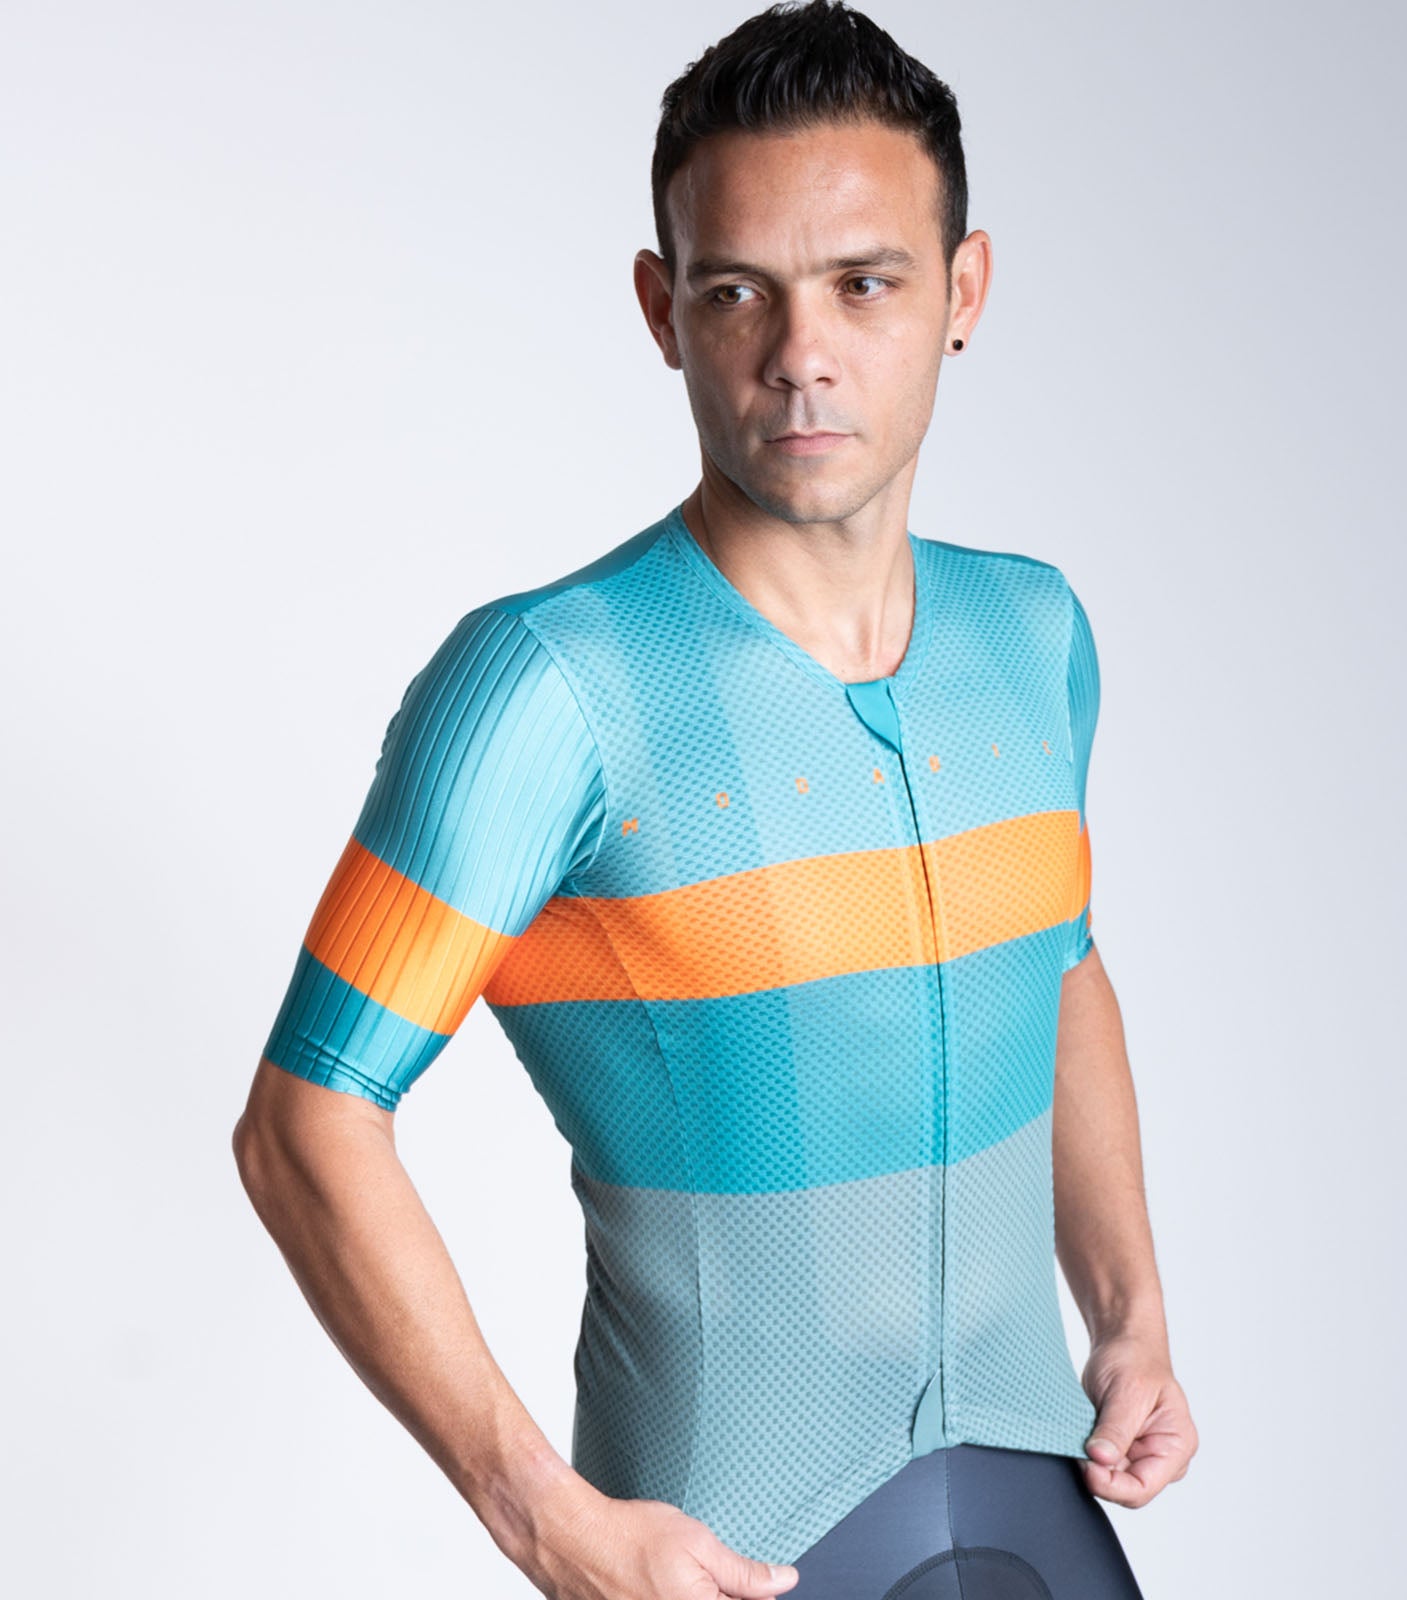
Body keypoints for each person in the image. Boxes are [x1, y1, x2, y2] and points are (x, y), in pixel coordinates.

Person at [232, 2, 1199, 1595]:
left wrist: (1131, 1315)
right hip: (726, 1554)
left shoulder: (1033, 636)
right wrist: (539, 1514)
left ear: (963, 291)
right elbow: (303, 1123)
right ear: (661, 308)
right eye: (738, 289)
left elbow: (1062, 967)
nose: (801, 354)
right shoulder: (548, 690)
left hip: (1042, 1503)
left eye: (865, 284)